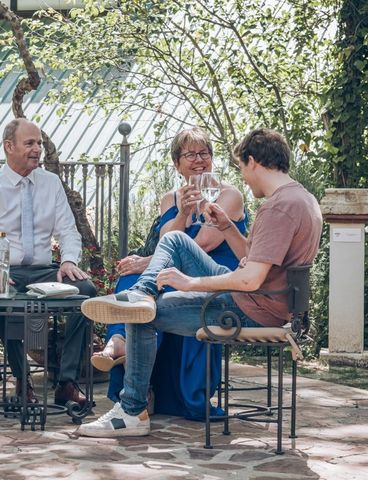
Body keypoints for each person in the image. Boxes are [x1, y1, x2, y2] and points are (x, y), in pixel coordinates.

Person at [78, 127, 322, 437]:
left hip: (250, 305)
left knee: (141, 315)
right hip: (263, 298)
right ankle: (142, 291)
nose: (244, 178)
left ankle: (131, 411)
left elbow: (250, 279)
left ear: (253, 162)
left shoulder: (278, 208)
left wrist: (188, 283)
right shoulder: (301, 198)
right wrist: (229, 228)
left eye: (243, 169)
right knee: (177, 240)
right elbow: (257, 259)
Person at [93, 128, 247, 420]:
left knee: (140, 283)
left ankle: (126, 359)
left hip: (212, 274)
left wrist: (145, 263)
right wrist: (182, 213)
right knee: (129, 280)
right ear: (177, 164)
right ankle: (123, 350)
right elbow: (168, 238)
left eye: (204, 153)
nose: (199, 160)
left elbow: (202, 244)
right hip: (175, 269)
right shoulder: (170, 198)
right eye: (190, 155)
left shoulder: (228, 195)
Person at [0, 118, 97, 407]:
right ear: (9, 146)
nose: (38, 149)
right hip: (3, 270)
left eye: (39, 143)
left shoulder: (51, 182)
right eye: (30, 143)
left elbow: (68, 231)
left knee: (86, 291)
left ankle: (67, 381)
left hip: (44, 270)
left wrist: (69, 260)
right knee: (1, 294)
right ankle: (23, 383)